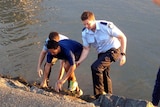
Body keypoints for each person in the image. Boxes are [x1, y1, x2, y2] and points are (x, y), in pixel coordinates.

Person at [76, 11, 127, 99]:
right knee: (104, 73)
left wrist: (123, 54)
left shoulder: (106, 26)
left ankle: (99, 96)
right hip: (102, 53)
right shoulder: (85, 32)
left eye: (88, 24)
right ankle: (109, 96)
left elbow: (122, 37)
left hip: (114, 50)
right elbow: (86, 49)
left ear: (93, 20)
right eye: (84, 25)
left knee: (96, 67)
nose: (86, 27)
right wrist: (79, 61)